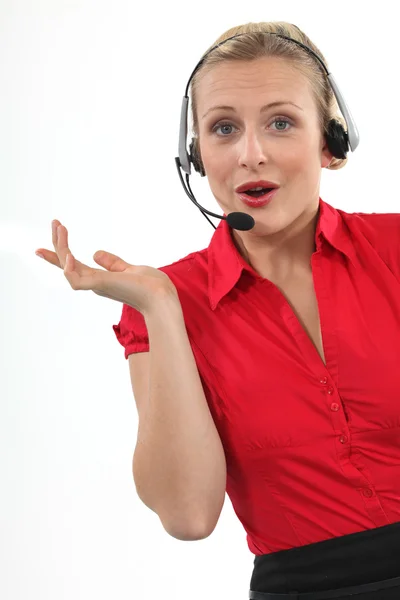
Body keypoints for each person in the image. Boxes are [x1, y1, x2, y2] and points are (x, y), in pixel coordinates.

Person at [35, 20, 400, 600]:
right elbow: (188, 515)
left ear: (331, 141)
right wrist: (161, 309)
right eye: (224, 129)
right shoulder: (163, 301)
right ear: (196, 155)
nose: (250, 155)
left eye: (280, 123)